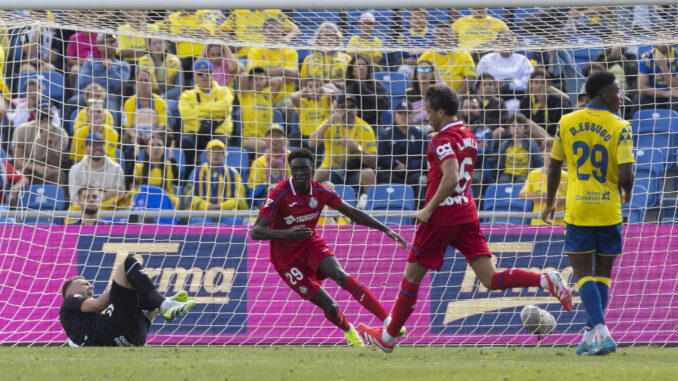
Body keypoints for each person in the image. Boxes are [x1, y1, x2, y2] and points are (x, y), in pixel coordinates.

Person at [356, 85, 573, 353]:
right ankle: (544, 279)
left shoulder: (441, 139)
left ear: (441, 111)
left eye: (429, 111)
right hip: (466, 213)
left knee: (411, 276)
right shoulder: (468, 135)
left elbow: (451, 176)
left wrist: (428, 208)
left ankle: (387, 338)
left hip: (442, 216)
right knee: (489, 278)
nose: (426, 117)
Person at [250, 147, 407, 347]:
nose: (299, 174)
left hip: (309, 245)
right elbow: (256, 232)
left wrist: (385, 229)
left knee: (340, 275)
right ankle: (349, 331)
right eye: (295, 169)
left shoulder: (321, 192)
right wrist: (286, 234)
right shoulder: (279, 193)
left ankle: (388, 320)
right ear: (290, 170)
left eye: (304, 169)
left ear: (312, 168)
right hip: (286, 260)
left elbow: (352, 212)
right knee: (331, 307)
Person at [542, 72, 635, 356]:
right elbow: (626, 173)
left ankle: (597, 334)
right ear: (605, 94)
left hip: (579, 208)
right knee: (603, 274)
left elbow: (555, 166)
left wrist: (549, 202)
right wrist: (627, 193)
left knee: (583, 274)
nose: (622, 97)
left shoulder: (567, 122)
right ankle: (592, 335)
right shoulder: (621, 126)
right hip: (609, 209)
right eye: (618, 92)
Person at [59, 255, 195, 346]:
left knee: (132, 289)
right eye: (85, 284)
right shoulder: (70, 301)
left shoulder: (83, 323)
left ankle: (159, 305)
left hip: (132, 339)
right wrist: (120, 285)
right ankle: (164, 303)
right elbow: (98, 304)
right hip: (115, 331)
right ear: (71, 292)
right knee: (128, 264)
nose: (91, 286)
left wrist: (148, 319)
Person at [308, 94, 377, 202]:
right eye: (343, 107)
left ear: (357, 109)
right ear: (337, 109)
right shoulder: (330, 123)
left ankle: (368, 206)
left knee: (368, 173)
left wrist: (357, 148)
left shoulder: (365, 128)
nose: (347, 110)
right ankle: (310, 202)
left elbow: (373, 161)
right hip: (333, 170)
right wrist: (328, 123)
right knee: (321, 171)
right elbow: (311, 143)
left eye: (351, 107)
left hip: (354, 172)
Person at [178, 59, 234, 167]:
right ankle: (189, 175)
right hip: (195, 132)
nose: (205, 76)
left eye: (208, 72)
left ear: (213, 75)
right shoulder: (187, 94)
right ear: (195, 76)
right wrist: (214, 110)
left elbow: (226, 108)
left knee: (219, 145)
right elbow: (185, 114)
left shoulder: (224, 91)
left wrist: (198, 109)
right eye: (200, 73)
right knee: (185, 142)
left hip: (218, 132)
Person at [11, 101, 69, 187]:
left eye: (48, 116)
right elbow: (18, 162)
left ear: (53, 115)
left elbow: (57, 164)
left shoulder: (61, 133)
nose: (45, 119)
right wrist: (38, 168)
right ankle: (12, 198)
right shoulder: (22, 130)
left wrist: (48, 142)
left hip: (50, 170)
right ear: (34, 115)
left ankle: (54, 199)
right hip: (28, 169)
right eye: (41, 116)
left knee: (58, 174)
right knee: (20, 174)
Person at [184, 139, 248, 213]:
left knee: (234, 221)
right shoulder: (196, 172)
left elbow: (240, 197)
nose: (216, 154)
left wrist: (222, 206)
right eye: (212, 151)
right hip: (202, 212)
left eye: (219, 152)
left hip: (227, 212)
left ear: (224, 156)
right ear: (207, 155)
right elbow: (188, 195)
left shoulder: (233, 173)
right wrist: (206, 206)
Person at [377, 101, 427, 190]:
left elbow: (427, 158)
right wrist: (394, 164)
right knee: (382, 177)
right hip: (392, 173)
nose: (404, 116)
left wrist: (408, 167)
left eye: (407, 113)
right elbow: (381, 156)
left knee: (422, 179)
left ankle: (419, 204)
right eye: (400, 113)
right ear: (394, 115)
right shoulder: (386, 133)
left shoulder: (421, 134)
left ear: (413, 116)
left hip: (413, 173)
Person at [68, 132, 126, 206]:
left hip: (110, 212)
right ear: (85, 148)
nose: (97, 148)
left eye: (100, 145)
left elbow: (120, 196)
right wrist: (105, 195)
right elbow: (74, 199)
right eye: (93, 145)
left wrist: (87, 197)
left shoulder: (116, 169)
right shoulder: (75, 170)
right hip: (84, 212)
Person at [519, 139, 567, 225]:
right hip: (537, 223)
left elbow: (573, 198)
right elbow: (521, 196)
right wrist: (532, 196)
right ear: (542, 154)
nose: (551, 155)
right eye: (548, 151)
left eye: (554, 152)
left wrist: (559, 199)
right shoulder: (533, 174)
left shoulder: (566, 176)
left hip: (558, 223)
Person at [219, 9, 300, 60]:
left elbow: (296, 30)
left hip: (268, 56)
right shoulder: (239, 12)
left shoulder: (274, 11)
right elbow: (219, 30)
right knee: (242, 71)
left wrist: (286, 38)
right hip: (244, 55)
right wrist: (230, 40)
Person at [237, 66, 282, 153]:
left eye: (261, 79)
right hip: (249, 138)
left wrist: (265, 83)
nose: (258, 82)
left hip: (268, 137)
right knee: (262, 145)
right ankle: (259, 166)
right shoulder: (245, 95)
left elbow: (279, 80)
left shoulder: (268, 96)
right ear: (250, 81)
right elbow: (243, 76)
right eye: (255, 79)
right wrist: (256, 81)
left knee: (284, 143)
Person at [418, 26, 475, 95]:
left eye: (447, 34)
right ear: (435, 38)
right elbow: (417, 77)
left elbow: (470, 77)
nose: (444, 37)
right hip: (432, 97)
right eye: (441, 34)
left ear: (454, 37)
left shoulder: (464, 55)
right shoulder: (426, 56)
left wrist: (457, 96)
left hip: (458, 98)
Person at [131, 132, 180, 207]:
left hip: (165, 205)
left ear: (164, 149)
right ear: (147, 150)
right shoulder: (140, 167)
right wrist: (135, 155)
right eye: (152, 145)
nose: (155, 148)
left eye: (159, 145)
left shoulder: (170, 166)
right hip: (145, 204)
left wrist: (172, 159)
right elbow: (128, 180)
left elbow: (177, 182)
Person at [520, 69, 572, 137]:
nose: (539, 86)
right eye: (536, 82)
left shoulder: (557, 101)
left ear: (548, 84)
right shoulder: (525, 102)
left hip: (556, 138)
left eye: (542, 82)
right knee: (528, 123)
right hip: (535, 139)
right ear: (531, 84)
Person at [247, 124, 291, 207]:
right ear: (266, 140)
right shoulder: (258, 162)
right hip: (265, 201)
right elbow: (253, 187)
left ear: (284, 140)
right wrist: (267, 185)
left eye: (278, 136)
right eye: (271, 136)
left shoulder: (293, 158)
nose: (274, 139)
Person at [635, 31, 678, 113]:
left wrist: (663, 67)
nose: (664, 42)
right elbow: (641, 88)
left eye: (667, 38)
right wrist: (666, 93)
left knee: (675, 101)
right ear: (655, 41)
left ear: (673, 41)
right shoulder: (646, 57)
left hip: (674, 95)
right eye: (661, 38)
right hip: (654, 95)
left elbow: (676, 86)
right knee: (639, 99)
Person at [300, 22, 350, 88]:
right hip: (315, 95)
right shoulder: (308, 59)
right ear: (319, 39)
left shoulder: (347, 59)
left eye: (332, 35)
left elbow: (351, 83)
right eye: (326, 35)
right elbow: (303, 84)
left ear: (337, 39)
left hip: (339, 95)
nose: (329, 39)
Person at [344, 55, 390, 128]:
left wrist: (362, 88)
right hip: (355, 127)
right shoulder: (349, 88)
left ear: (368, 69)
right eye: (358, 65)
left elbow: (386, 105)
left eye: (364, 65)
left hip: (375, 126)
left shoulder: (377, 85)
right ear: (352, 71)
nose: (361, 68)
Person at [497, 114, 544, 184]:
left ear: (525, 129)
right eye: (513, 126)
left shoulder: (531, 144)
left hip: (525, 175)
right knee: (503, 181)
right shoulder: (504, 144)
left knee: (521, 182)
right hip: (508, 174)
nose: (516, 128)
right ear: (509, 129)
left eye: (519, 125)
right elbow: (499, 165)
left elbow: (538, 163)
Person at [290, 76, 335, 144]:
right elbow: (293, 96)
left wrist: (321, 89)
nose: (314, 89)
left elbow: (331, 93)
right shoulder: (302, 102)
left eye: (317, 86)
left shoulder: (325, 101)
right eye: (310, 87)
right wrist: (305, 90)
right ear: (305, 89)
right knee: (293, 136)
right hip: (306, 137)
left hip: (322, 137)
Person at [405, 59, 445, 125]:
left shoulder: (437, 93)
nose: (423, 72)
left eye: (427, 69)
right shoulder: (408, 94)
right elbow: (407, 116)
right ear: (416, 74)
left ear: (432, 75)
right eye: (420, 69)